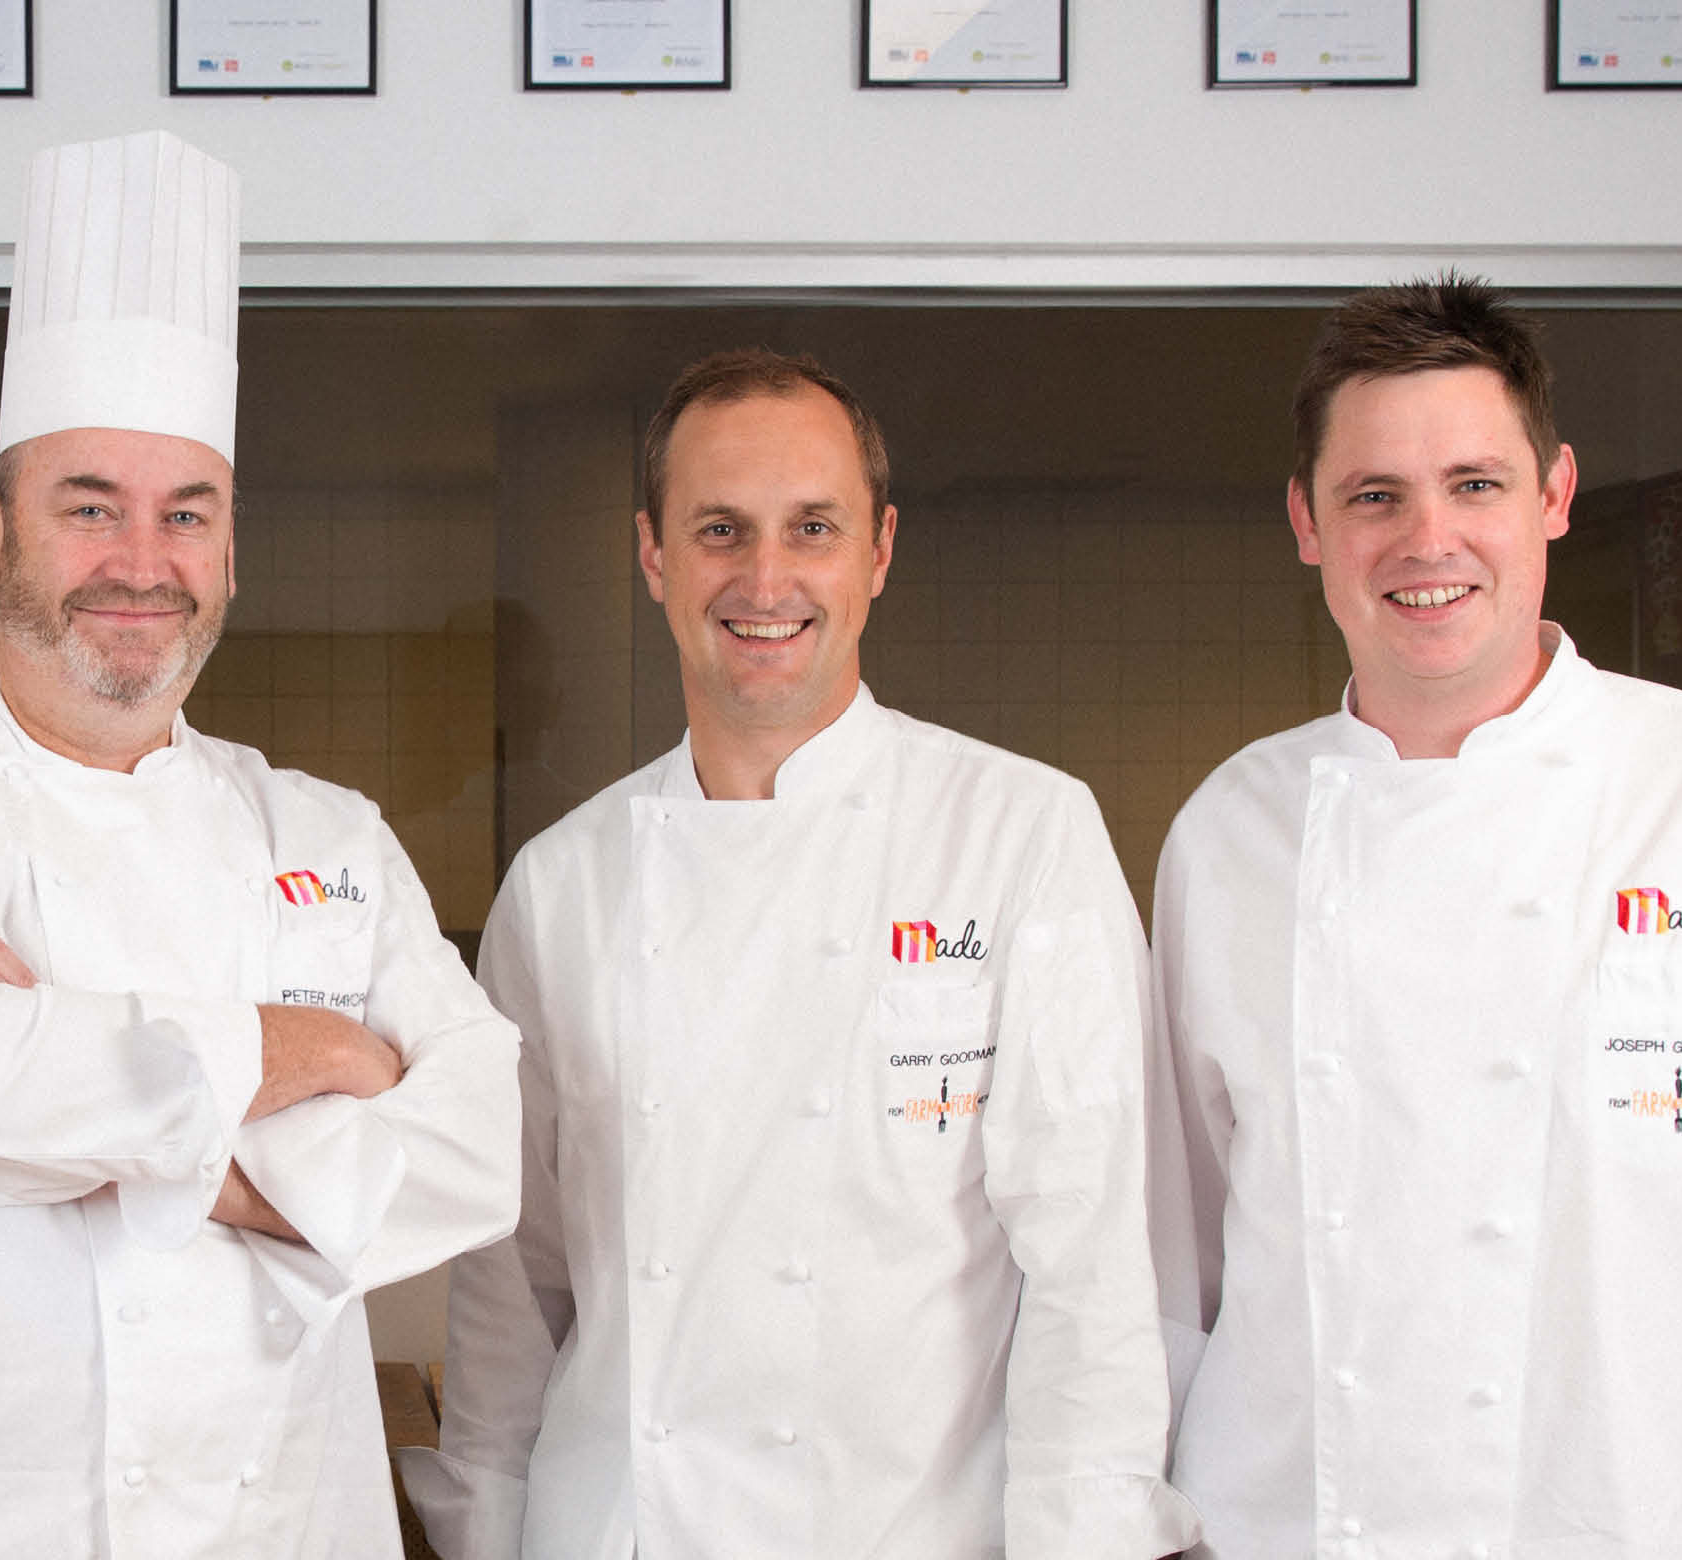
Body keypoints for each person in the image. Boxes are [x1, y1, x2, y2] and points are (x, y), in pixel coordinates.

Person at [1149, 276, 1682, 1558]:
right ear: (1307, 522)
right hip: (1293, 1525)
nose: (1426, 539)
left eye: (1476, 484)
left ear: (1555, 493)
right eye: (1374, 495)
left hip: (1626, 1520)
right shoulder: (1230, 830)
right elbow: (1175, 1252)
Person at [0, 130, 522, 1558]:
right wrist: (322, 1055)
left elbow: (479, 1146)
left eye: (186, 515)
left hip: (277, 1523)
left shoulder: (328, 832)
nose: (140, 561)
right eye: (87, 505)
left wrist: (91, 1086)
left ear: (231, 553)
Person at [404, 350, 1198, 1559]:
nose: (765, 577)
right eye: (720, 529)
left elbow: (1092, 1276)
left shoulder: (1020, 835)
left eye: (811, 527)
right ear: (654, 555)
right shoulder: (561, 886)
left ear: (878, 552)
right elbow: (514, 1291)